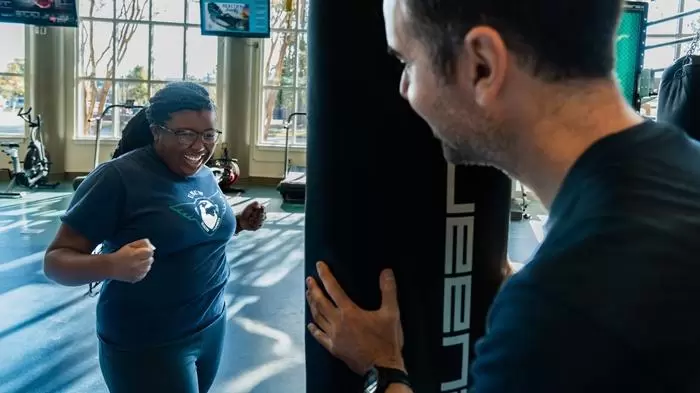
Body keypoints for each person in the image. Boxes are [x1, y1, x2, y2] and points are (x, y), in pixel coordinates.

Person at [305, 0, 700, 392]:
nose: (404, 89)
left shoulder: (554, 313)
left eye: (408, 62)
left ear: (483, 66)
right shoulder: (685, 165)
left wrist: (383, 367)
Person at [44, 82, 266, 393]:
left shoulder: (203, 173)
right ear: (156, 131)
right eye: (185, 134)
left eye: (208, 134)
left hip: (210, 325)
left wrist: (239, 223)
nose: (199, 146)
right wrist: (111, 265)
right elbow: (55, 262)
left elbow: (191, 232)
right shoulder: (117, 178)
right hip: (148, 339)